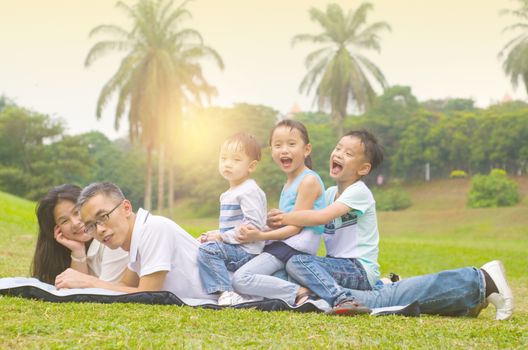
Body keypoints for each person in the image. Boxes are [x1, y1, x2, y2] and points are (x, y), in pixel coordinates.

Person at [268, 130, 383, 307]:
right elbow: (305, 219)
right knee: (285, 265)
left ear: (363, 169)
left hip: (359, 268)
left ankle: (341, 299)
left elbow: (321, 217)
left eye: (348, 153)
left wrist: (283, 218)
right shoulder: (329, 194)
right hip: (336, 264)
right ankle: (309, 292)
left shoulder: (359, 191)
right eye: (338, 148)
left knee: (297, 262)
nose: (339, 154)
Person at [54, 182, 216, 301]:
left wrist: (89, 282)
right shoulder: (136, 241)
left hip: (227, 297)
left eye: (103, 217)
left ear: (126, 208)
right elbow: (124, 285)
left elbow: (148, 295)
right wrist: (85, 283)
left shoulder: (153, 228)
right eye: (91, 226)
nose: (99, 230)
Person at [232, 119, 326, 306]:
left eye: (291, 144)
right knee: (267, 280)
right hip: (285, 246)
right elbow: (289, 220)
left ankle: (301, 292)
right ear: (272, 150)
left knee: (240, 279)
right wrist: (273, 221)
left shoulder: (308, 181)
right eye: (278, 145)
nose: (284, 150)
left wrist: (259, 235)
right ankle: (300, 291)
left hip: (294, 247)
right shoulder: (289, 183)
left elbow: (295, 229)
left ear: (306, 149)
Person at [197, 132, 267, 306]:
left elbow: (253, 226)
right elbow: (230, 227)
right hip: (234, 246)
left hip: (247, 251)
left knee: (209, 250)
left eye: (236, 160)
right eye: (223, 158)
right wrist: (215, 234)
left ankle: (227, 293)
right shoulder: (227, 194)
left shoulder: (249, 190)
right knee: (200, 244)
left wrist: (222, 238)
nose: (228, 164)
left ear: (251, 166)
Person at [31, 184, 128, 285]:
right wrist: (78, 251)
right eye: (64, 221)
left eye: (77, 212)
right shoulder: (73, 250)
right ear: (57, 230)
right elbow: (77, 293)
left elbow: (106, 294)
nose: (75, 223)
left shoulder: (111, 240)